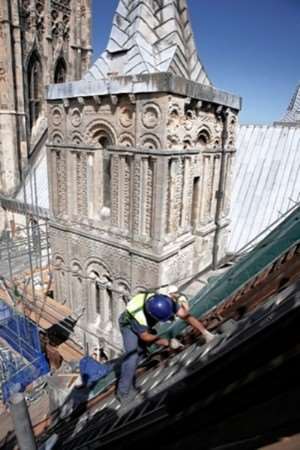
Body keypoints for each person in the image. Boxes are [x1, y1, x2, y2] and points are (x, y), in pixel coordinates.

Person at [116, 287, 215, 405]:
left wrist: (204, 332)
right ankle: (123, 392)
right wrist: (168, 343)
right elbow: (145, 336)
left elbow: (186, 316)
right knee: (132, 356)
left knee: (141, 353)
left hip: (145, 325)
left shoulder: (165, 302)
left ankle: (130, 374)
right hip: (129, 326)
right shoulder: (138, 315)